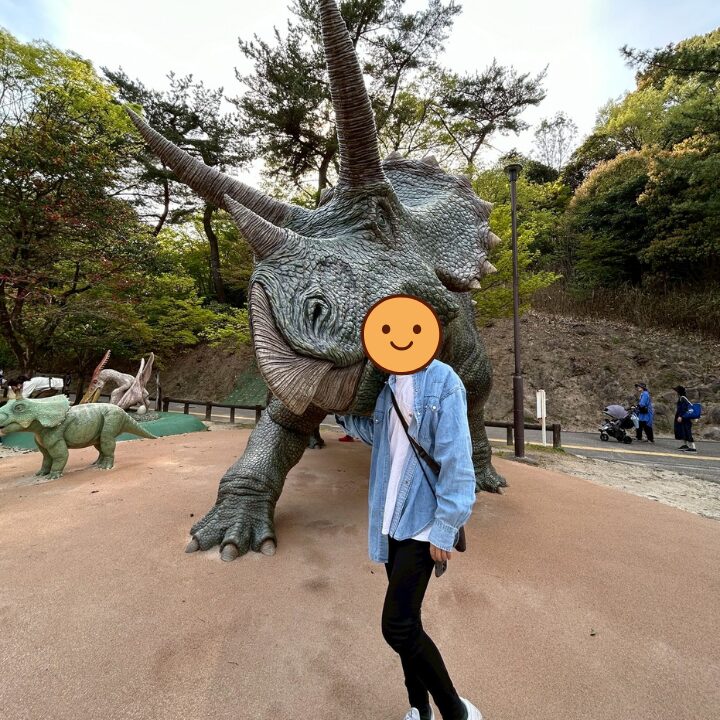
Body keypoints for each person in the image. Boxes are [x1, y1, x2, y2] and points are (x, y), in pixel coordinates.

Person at [336, 295, 482, 720]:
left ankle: (456, 711)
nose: (400, 338)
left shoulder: (444, 381)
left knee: (397, 626)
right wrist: (341, 414)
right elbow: (384, 438)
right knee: (409, 624)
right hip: (391, 521)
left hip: (423, 522)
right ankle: (419, 708)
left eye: (411, 329)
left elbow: (457, 462)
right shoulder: (388, 386)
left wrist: (445, 527)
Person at [673, 385, 697, 453]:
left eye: (676, 391)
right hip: (683, 418)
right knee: (683, 431)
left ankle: (693, 448)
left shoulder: (683, 398)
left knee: (687, 432)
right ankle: (685, 445)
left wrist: (681, 416)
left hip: (685, 418)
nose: (676, 392)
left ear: (679, 392)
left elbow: (684, 408)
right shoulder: (682, 397)